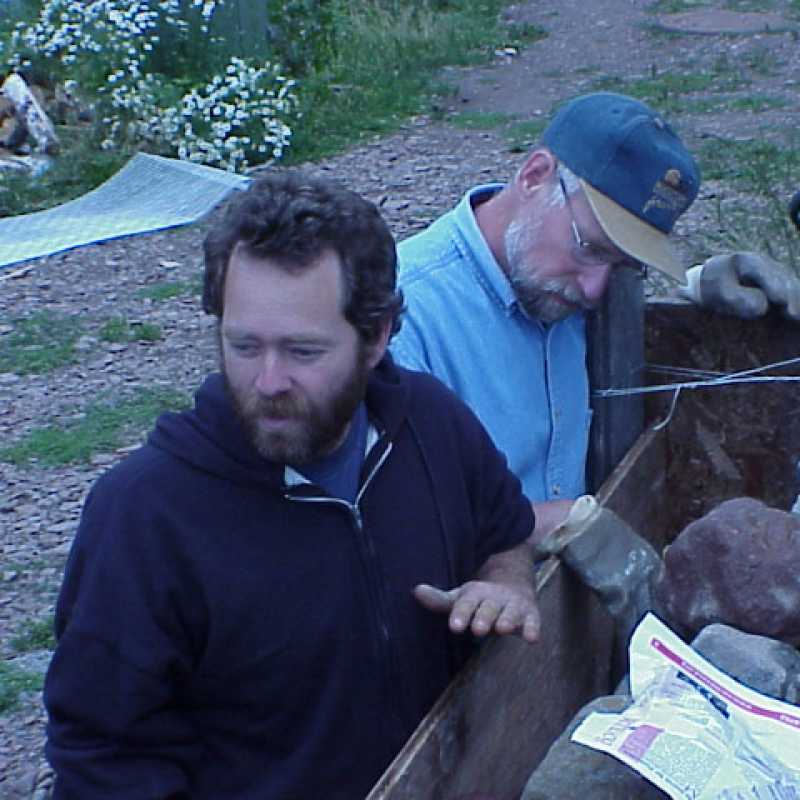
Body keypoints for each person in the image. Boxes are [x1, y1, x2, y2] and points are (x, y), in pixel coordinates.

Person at [43, 172, 541, 800]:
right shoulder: (143, 519)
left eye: (303, 352)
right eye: (244, 345)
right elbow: (101, 762)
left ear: (379, 334)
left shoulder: (429, 422)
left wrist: (507, 584)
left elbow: (509, 534)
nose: (269, 381)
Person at [390, 91, 800, 538]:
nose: (594, 289)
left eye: (624, 264)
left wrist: (696, 285)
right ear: (534, 175)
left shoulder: (552, 276)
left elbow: (617, 294)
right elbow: (394, 527)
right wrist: (542, 528)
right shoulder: (401, 318)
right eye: (589, 248)